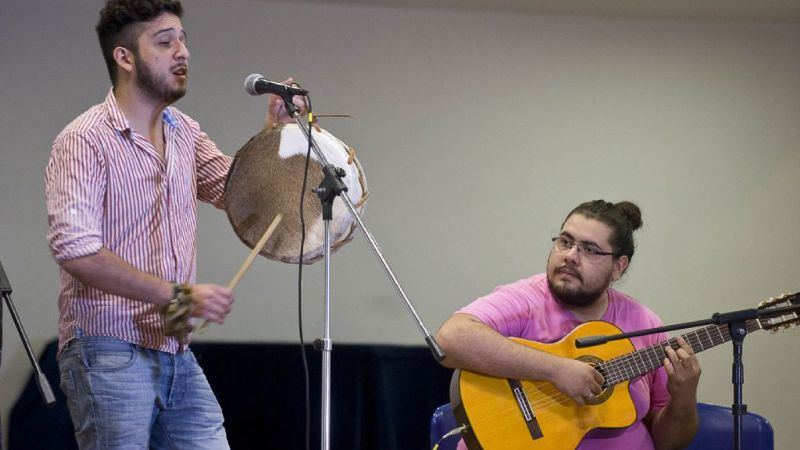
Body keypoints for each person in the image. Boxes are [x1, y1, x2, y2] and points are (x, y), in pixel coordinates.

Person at [44, 1, 302, 448]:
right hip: (108, 347)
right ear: (125, 58)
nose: (182, 51)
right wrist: (177, 295)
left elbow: (239, 194)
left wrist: (274, 133)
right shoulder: (84, 139)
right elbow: (76, 250)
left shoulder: (185, 131)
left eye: (182, 40)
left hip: (174, 351)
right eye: (165, 42)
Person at [436, 200, 701, 450]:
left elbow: (669, 443)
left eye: (590, 250)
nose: (571, 256)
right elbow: (450, 340)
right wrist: (556, 370)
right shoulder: (526, 299)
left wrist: (684, 399)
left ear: (618, 266)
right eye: (565, 242)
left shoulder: (645, 323)